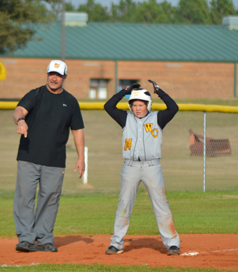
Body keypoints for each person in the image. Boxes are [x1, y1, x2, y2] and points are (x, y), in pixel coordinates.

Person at [12, 60, 85, 253]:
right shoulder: (36, 94)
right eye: (51, 73)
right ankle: (26, 239)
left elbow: (77, 131)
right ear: (47, 74)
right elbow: (19, 109)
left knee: (50, 199)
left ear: (64, 77)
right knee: (24, 197)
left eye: (59, 75)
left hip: (55, 160)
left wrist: (81, 157)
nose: (54, 78)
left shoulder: (71, 102)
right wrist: (21, 121)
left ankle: (44, 239)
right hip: (28, 156)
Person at [103, 80, 180, 256]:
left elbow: (173, 107)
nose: (137, 108)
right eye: (134, 104)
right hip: (130, 166)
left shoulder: (157, 118)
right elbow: (108, 106)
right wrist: (125, 91)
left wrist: (159, 91)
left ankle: (172, 243)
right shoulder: (126, 118)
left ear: (148, 105)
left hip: (151, 166)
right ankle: (116, 243)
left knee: (161, 204)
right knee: (124, 205)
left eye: (141, 104)